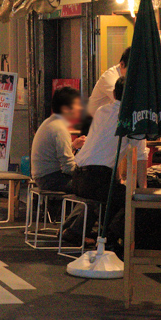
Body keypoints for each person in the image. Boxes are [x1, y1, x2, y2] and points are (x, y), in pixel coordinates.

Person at [65, 77, 145, 247]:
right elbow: (139, 157)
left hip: (78, 175)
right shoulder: (135, 119)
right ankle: (108, 239)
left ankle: (75, 231)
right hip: (96, 179)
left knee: (112, 193)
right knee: (131, 199)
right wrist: (143, 191)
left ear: (115, 93)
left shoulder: (102, 111)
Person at [30, 86, 85, 192]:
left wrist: (73, 146)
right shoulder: (60, 129)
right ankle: (77, 209)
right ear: (65, 109)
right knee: (91, 188)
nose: (80, 108)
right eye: (77, 105)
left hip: (43, 177)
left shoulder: (50, 122)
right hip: (51, 179)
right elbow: (68, 168)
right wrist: (86, 173)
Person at [87, 47, 130, 116]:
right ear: (122, 64)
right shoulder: (111, 78)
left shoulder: (123, 77)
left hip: (106, 120)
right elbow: (125, 103)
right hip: (93, 122)